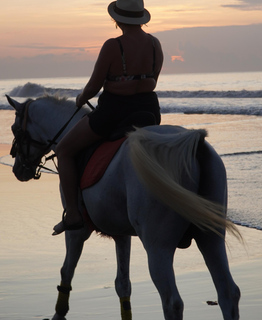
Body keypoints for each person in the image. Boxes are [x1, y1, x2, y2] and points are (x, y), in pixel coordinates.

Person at [53, 0, 164, 235]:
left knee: (64, 150)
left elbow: (94, 86)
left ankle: (73, 214)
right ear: (141, 17)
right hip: (149, 111)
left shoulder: (113, 46)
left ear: (117, 19)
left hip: (115, 112)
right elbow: (153, 78)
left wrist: (81, 98)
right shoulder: (155, 44)